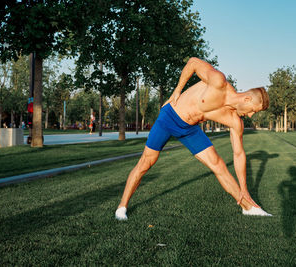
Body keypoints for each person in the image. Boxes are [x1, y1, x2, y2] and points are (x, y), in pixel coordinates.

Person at [115, 57, 271, 220]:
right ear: (247, 99)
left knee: (218, 164)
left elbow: (238, 154)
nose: (251, 115)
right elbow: (193, 63)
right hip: (170, 117)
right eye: (253, 110)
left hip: (190, 129)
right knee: (145, 163)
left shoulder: (234, 121)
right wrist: (177, 90)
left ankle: (247, 207)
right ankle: (122, 207)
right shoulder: (218, 82)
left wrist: (244, 188)